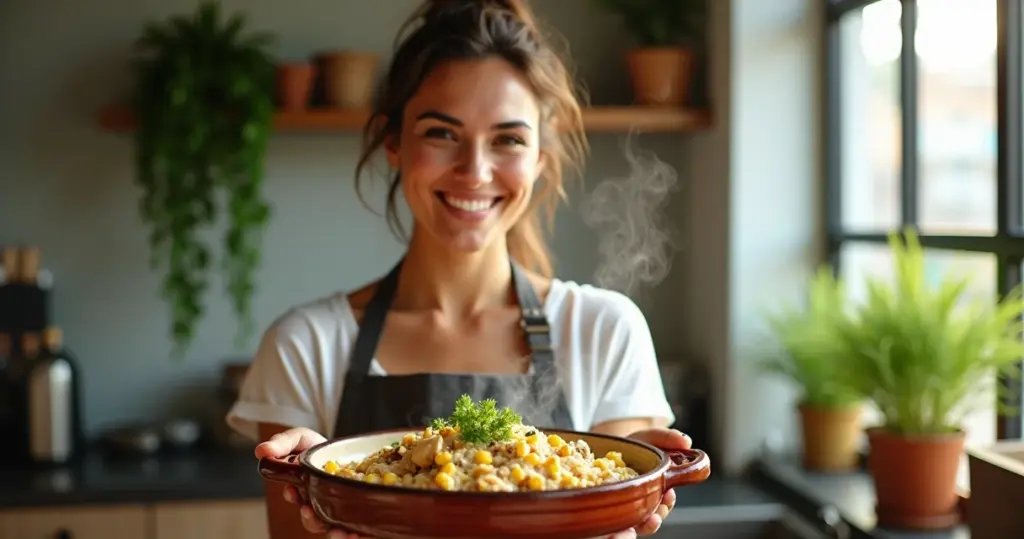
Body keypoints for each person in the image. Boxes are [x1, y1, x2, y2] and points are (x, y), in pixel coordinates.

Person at [225, 0, 693, 537]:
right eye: (441, 133)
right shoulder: (304, 345)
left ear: (541, 159)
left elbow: (612, 518)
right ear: (394, 142)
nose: (474, 171)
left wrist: (627, 500)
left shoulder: (606, 331)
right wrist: (317, 480)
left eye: (509, 139)